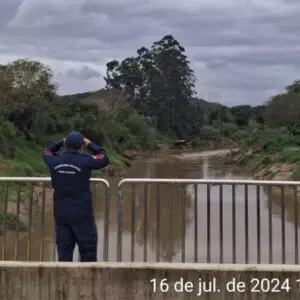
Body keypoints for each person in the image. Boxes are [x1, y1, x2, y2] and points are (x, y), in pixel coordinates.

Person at [42, 131, 109, 262]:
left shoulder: (54, 160)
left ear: (66, 145)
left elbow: (46, 152)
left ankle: (63, 281)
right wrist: (91, 144)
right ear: (81, 146)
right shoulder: (86, 160)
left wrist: (61, 142)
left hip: (61, 214)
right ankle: (87, 281)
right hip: (82, 214)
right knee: (88, 250)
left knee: (64, 252)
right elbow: (104, 158)